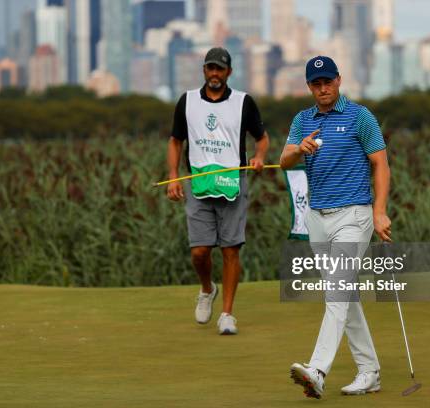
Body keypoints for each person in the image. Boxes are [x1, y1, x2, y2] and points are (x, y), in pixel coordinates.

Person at [280, 56, 391, 398]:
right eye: (316, 83)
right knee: (345, 296)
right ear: (310, 87)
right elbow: (284, 161)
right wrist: (299, 149)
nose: (323, 88)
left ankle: (317, 370)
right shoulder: (303, 120)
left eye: (328, 81)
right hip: (318, 218)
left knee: (336, 293)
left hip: (354, 216)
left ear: (339, 80)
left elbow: (381, 164)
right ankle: (369, 371)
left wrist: (380, 211)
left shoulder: (360, 116)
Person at [166, 47, 269, 335]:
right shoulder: (186, 102)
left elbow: (262, 139)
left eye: (219, 69)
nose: (214, 74)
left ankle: (227, 314)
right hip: (198, 184)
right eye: (210, 68)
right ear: (204, 71)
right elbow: (175, 141)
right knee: (199, 252)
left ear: (229, 72)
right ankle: (206, 288)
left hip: (233, 184)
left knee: (230, 250)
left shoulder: (243, 102)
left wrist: (259, 157)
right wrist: (173, 177)